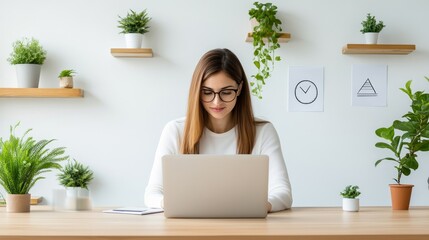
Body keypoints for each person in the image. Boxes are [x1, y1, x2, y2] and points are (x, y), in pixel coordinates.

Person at [144, 48, 292, 212]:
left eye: (226, 92)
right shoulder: (175, 130)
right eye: (207, 92)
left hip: (245, 229)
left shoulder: (263, 131)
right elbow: (152, 193)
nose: (216, 102)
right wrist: (173, 203)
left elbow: (283, 193)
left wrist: (258, 206)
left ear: (240, 89)